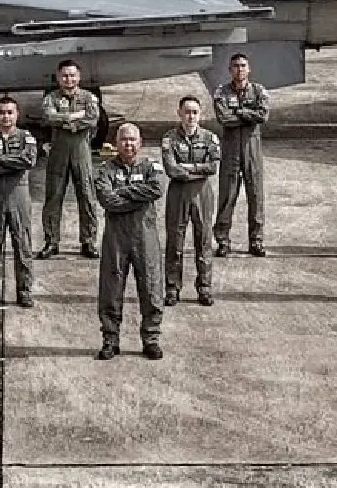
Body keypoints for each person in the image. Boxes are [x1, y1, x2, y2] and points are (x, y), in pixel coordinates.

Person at [94, 123, 165, 360]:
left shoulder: (151, 167)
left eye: (133, 140)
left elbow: (156, 189)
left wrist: (123, 192)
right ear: (116, 143)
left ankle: (151, 339)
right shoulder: (105, 170)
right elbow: (107, 201)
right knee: (111, 288)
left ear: (140, 142)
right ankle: (110, 340)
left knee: (151, 287)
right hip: (116, 237)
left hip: (145, 236)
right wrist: (137, 196)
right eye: (124, 140)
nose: (128, 144)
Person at [0, 96, 39, 308]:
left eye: (10, 112)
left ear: (17, 114)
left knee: (23, 245)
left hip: (19, 197)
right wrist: (12, 163)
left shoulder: (26, 138)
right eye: (2, 112)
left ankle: (24, 291)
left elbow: (28, 160)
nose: (6, 116)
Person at [160, 95, 219, 307]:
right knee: (175, 241)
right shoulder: (170, 138)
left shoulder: (210, 138)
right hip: (178, 193)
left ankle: (204, 287)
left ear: (200, 114)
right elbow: (171, 169)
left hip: (202, 193)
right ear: (179, 113)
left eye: (194, 112)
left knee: (203, 240)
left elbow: (212, 167)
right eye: (187, 112)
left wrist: (188, 168)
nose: (190, 116)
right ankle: (172, 288)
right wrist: (196, 169)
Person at [38, 59, 100, 260]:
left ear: (79, 77)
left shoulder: (89, 97)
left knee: (87, 194)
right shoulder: (51, 98)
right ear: (58, 77)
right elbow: (47, 117)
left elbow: (92, 118)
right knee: (53, 197)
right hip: (58, 152)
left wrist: (64, 118)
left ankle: (88, 241)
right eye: (65, 75)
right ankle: (51, 241)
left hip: (81, 150)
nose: (69, 79)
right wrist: (72, 118)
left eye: (72, 75)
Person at [212, 53, 271, 257]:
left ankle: (256, 240)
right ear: (230, 69)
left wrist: (238, 112)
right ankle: (223, 240)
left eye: (243, 65)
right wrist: (248, 114)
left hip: (251, 150)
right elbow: (223, 118)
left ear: (249, 68)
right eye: (235, 66)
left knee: (256, 196)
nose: (239, 69)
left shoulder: (258, 90)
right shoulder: (221, 92)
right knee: (227, 196)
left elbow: (263, 115)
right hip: (230, 150)